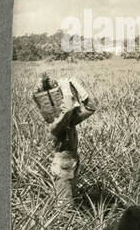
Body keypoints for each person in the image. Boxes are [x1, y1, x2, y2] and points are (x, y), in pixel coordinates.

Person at [40, 75, 97, 204]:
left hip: (71, 165)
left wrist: (75, 83)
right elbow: (68, 109)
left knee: (71, 202)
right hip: (62, 170)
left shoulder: (68, 122)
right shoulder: (55, 126)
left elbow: (91, 106)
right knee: (65, 208)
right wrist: (66, 88)